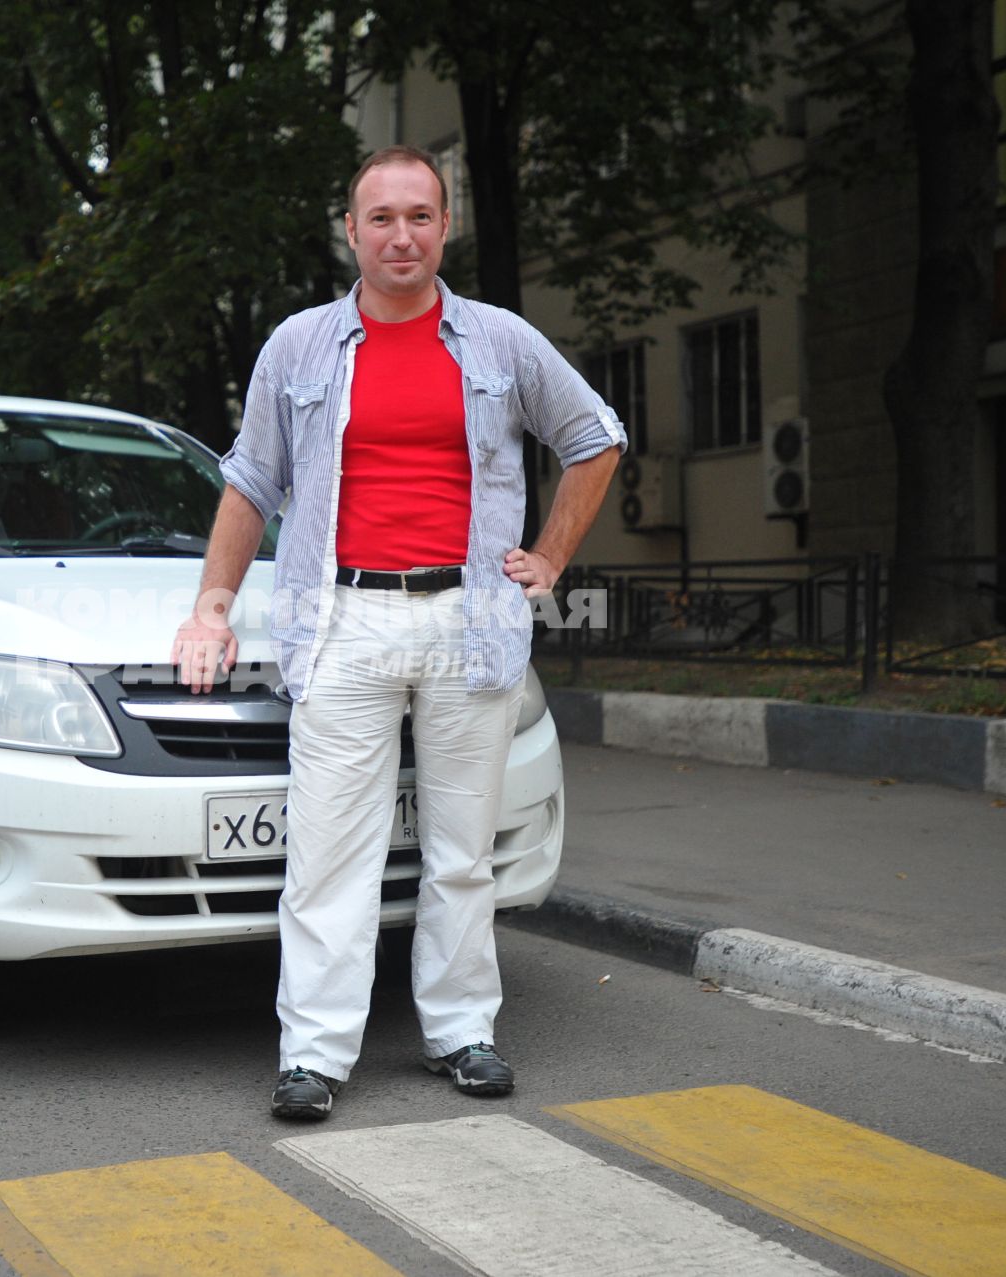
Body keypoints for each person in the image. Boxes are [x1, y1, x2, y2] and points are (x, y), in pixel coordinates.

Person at [170, 145, 624, 1121]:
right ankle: (316, 1053)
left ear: (445, 225)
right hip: (342, 616)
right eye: (382, 217)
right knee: (331, 851)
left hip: (471, 618)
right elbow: (251, 480)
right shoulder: (299, 347)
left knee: (461, 848)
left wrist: (549, 556)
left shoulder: (499, 342)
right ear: (351, 230)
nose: (401, 234)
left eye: (420, 215)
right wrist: (211, 604)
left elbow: (595, 438)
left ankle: (462, 1031)